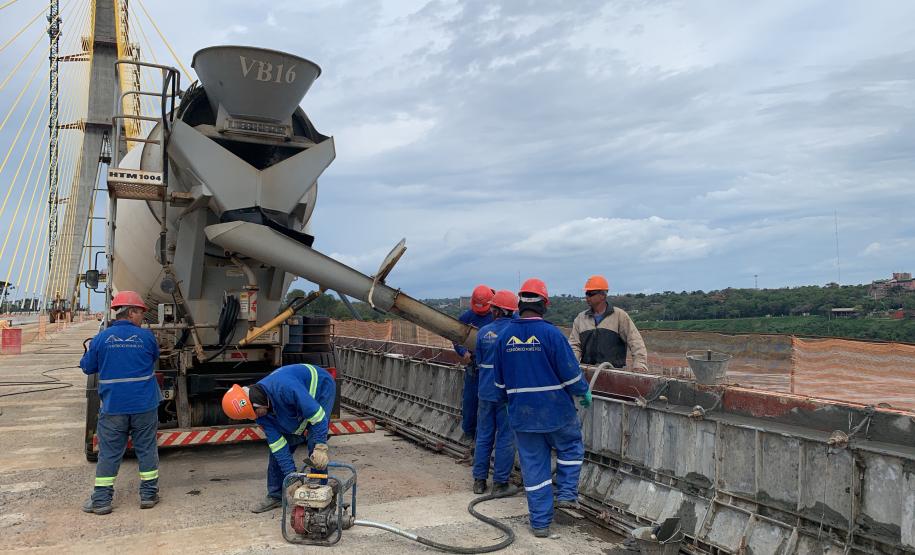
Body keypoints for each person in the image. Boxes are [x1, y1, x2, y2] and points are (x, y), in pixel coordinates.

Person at [493, 278, 592, 538]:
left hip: (522, 415)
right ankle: (568, 494)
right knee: (570, 446)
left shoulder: (503, 338)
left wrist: (509, 402)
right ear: (544, 304)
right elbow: (570, 375)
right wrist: (583, 391)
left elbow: (499, 382)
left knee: (534, 468)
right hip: (555, 410)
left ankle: (540, 524)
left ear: (520, 305)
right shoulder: (551, 335)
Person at [81, 291, 161, 515]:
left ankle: (101, 501)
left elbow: (88, 367)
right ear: (132, 312)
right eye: (141, 313)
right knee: (146, 449)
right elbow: (154, 357)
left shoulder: (101, 339)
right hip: (144, 404)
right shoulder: (146, 338)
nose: (143, 318)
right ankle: (148, 495)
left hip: (114, 406)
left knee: (109, 453)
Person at [222, 363, 335, 513]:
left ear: (257, 401)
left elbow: (318, 418)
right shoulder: (260, 412)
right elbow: (278, 446)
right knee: (278, 451)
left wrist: (321, 446)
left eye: (255, 412)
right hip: (292, 402)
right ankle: (275, 496)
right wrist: (292, 478)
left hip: (321, 388)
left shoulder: (285, 388)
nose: (256, 417)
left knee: (315, 446)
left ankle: (319, 494)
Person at [471, 289, 519, 495]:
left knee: (483, 435)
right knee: (506, 437)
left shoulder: (484, 332)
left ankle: (479, 481)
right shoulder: (515, 333)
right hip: (507, 394)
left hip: (485, 391)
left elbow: (479, 361)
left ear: (496, 310)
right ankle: (500, 483)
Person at [568, 275, 648, 370]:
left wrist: (639, 365)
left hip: (614, 373)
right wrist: (570, 365)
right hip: (587, 372)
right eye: (586, 293)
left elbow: (635, 342)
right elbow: (574, 346)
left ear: (603, 295)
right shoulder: (581, 318)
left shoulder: (619, 316)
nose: (587, 297)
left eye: (591, 293)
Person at [453, 284, 495, 440]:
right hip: (474, 367)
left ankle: (488, 435)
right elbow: (457, 340)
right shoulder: (466, 318)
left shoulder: (497, 317)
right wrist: (463, 352)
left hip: (493, 369)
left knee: (492, 404)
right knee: (470, 403)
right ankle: (469, 433)